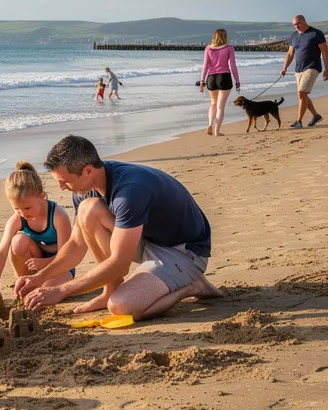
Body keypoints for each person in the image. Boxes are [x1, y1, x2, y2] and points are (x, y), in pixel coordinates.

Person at [16, 135, 220, 319]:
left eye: (64, 181)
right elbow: (77, 244)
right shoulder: (85, 189)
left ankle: (193, 285)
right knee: (90, 210)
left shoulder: (129, 192)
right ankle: (109, 291)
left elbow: (120, 264)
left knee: (121, 306)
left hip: (184, 252)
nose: (61, 188)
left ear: (87, 170)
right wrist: (39, 277)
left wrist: (61, 290)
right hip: (147, 239)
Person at [0, 163, 73, 296]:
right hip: (34, 266)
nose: (23, 214)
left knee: (44, 291)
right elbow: (1, 252)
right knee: (18, 241)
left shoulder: (58, 215)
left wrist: (43, 263)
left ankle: (34, 285)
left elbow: (66, 256)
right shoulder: (17, 219)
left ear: (42, 196)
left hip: (60, 267)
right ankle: (25, 280)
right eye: (16, 208)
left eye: (27, 208)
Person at [280, 14, 328, 128]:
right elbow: (290, 53)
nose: (296, 26)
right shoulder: (294, 36)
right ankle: (316, 116)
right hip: (298, 69)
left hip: (312, 67)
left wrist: (327, 69)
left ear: (304, 21)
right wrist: (284, 68)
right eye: (294, 25)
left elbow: (325, 52)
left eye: (298, 23)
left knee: (301, 93)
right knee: (303, 95)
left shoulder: (316, 33)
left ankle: (299, 121)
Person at [200, 28, 241, 136]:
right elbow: (233, 66)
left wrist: (202, 81)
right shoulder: (229, 48)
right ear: (225, 37)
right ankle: (217, 131)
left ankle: (210, 124)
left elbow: (205, 66)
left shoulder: (208, 48)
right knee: (220, 106)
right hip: (224, 77)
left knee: (213, 103)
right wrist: (237, 81)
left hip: (211, 78)